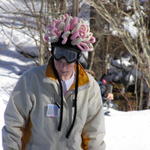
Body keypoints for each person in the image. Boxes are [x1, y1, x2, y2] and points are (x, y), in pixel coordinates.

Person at [2, 14, 105, 150]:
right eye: (58, 55)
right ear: (52, 52)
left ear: (78, 57)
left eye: (70, 57)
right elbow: (13, 125)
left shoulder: (89, 87)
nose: (63, 65)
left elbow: (94, 135)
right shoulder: (31, 81)